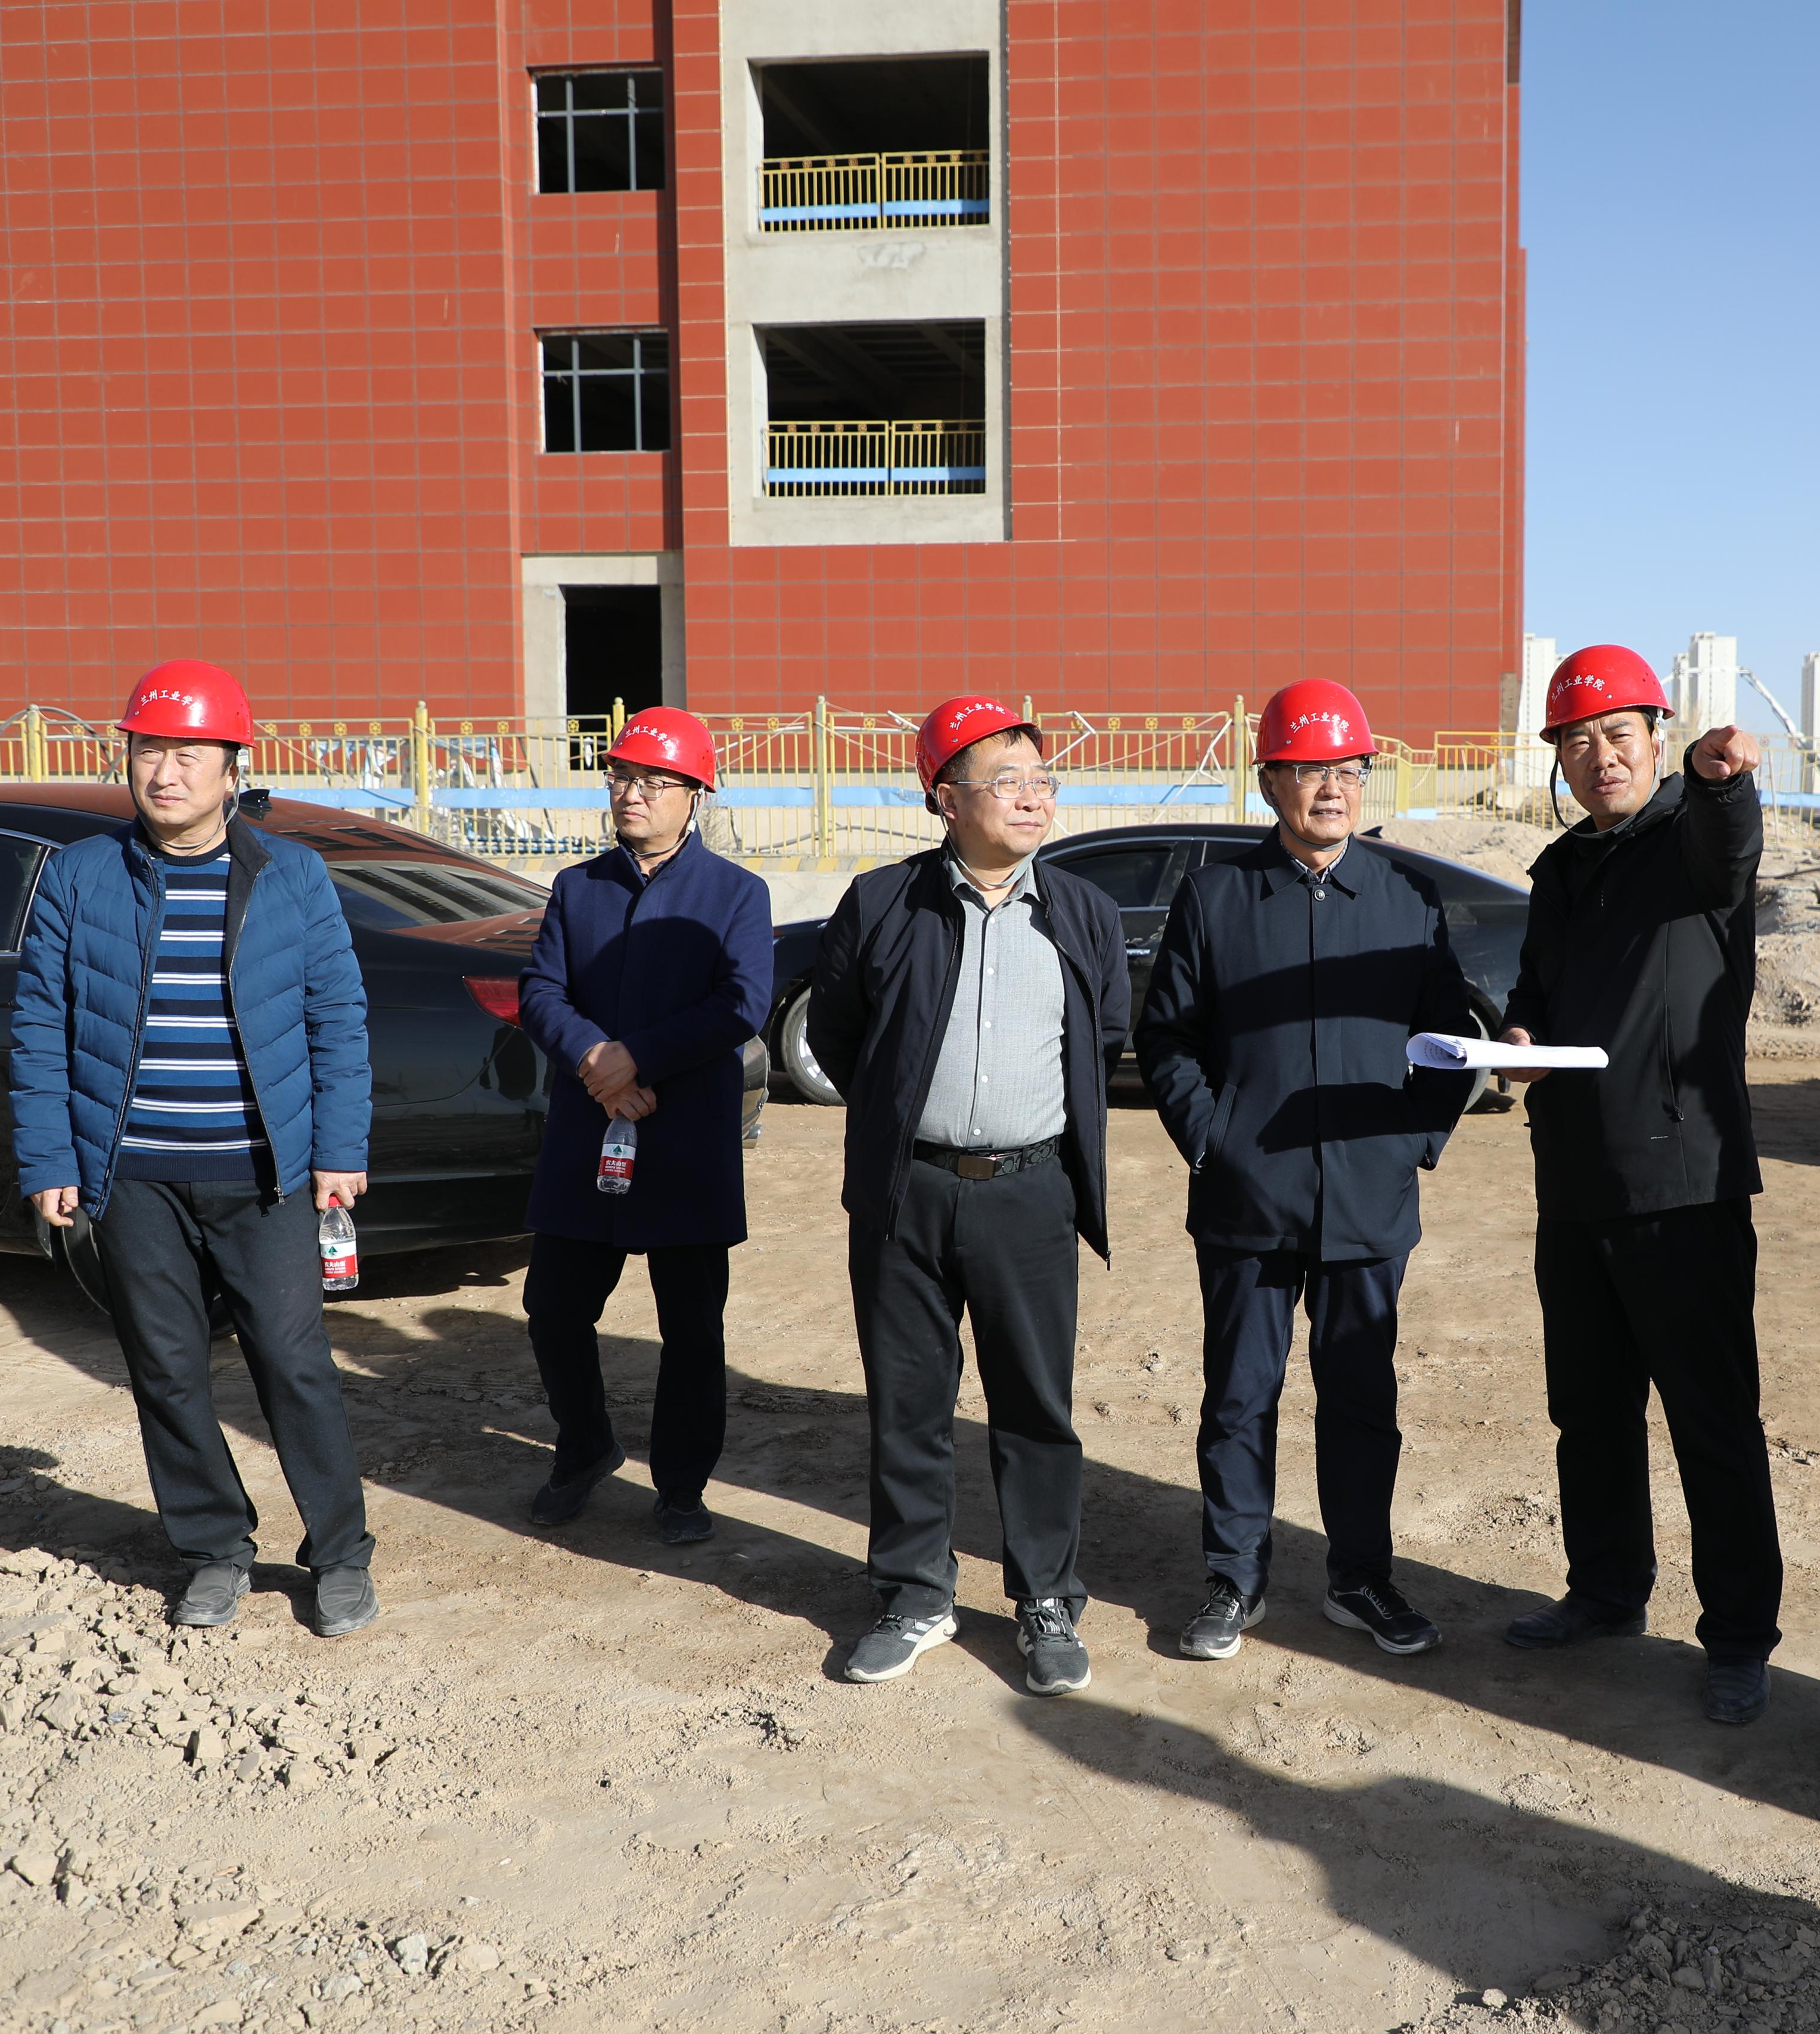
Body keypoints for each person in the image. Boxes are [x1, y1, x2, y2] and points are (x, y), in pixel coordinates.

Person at [10, 661, 378, 1635]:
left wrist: (339, 1146)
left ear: (231, 768)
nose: (163, 772)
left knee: (293, 1363)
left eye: (186, 754)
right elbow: (40, 1025)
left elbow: (337, 1017)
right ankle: (216, 1547)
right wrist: (50, 1158)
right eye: (147, 750)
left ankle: (341, 1553)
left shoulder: (291, 875)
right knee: (166, 1368)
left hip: (265, 1173)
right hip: (131, 1175)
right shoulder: (79, 876)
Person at [1136, 678, 1478, 1662]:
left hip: (1369, 1199)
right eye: (1310, 768)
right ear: (1269, 780)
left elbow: (1449, 1037)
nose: (1333, 787)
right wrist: (1214, 1140)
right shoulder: (1217, 898)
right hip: (1248, 1199)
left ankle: (1360, 1578)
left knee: (1362, 1399)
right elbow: (1167, 1038)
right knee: (1239, 1396)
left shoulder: (1407, 899)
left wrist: (1414, 1142)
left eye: (1349, 768)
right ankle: (1234, 1578)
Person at [806, 697, 1129, 1694]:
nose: (1033, 798)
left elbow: (1105, 1033)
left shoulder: (1082, 911)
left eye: (1042, 780)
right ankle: (915, 1592)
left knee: (1036, 1405)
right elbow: (838, 1033)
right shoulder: (882, 902)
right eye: (1008, 781)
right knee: (908, 1401)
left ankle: (1046, 1597)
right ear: (947, 800)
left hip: (1031, 1194)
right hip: (906, 1193)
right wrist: (908, 1117)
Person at [1490, 643, 1785, 1726]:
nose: (1599, 757)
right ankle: (1608, 1588)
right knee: (1590, 1410)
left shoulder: (1690, 845)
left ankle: (1740, 1635)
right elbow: (1536, 989)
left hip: (1684, 1186)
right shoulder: (1562, 869)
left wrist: (1723, 780)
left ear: (1656, 739)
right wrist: (1519, 1037)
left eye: (1618, 735)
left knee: (1712, 1419)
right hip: (1574, 1180)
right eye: (1577, 742)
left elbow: (1730, 842)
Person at [515, 707, 773, 1545]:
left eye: (655, 782)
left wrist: (639, 1058)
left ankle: (683, 1485)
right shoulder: (577, 887)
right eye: (623, 777)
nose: (633, 793)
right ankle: (585, 1446)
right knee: (554, 1308)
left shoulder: (736, 893)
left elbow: (742, 1003)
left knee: (691, 1327)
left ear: (695, 794)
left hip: (684, 1136)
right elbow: (540, 991)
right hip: (589, 1127)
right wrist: (595, 1058)